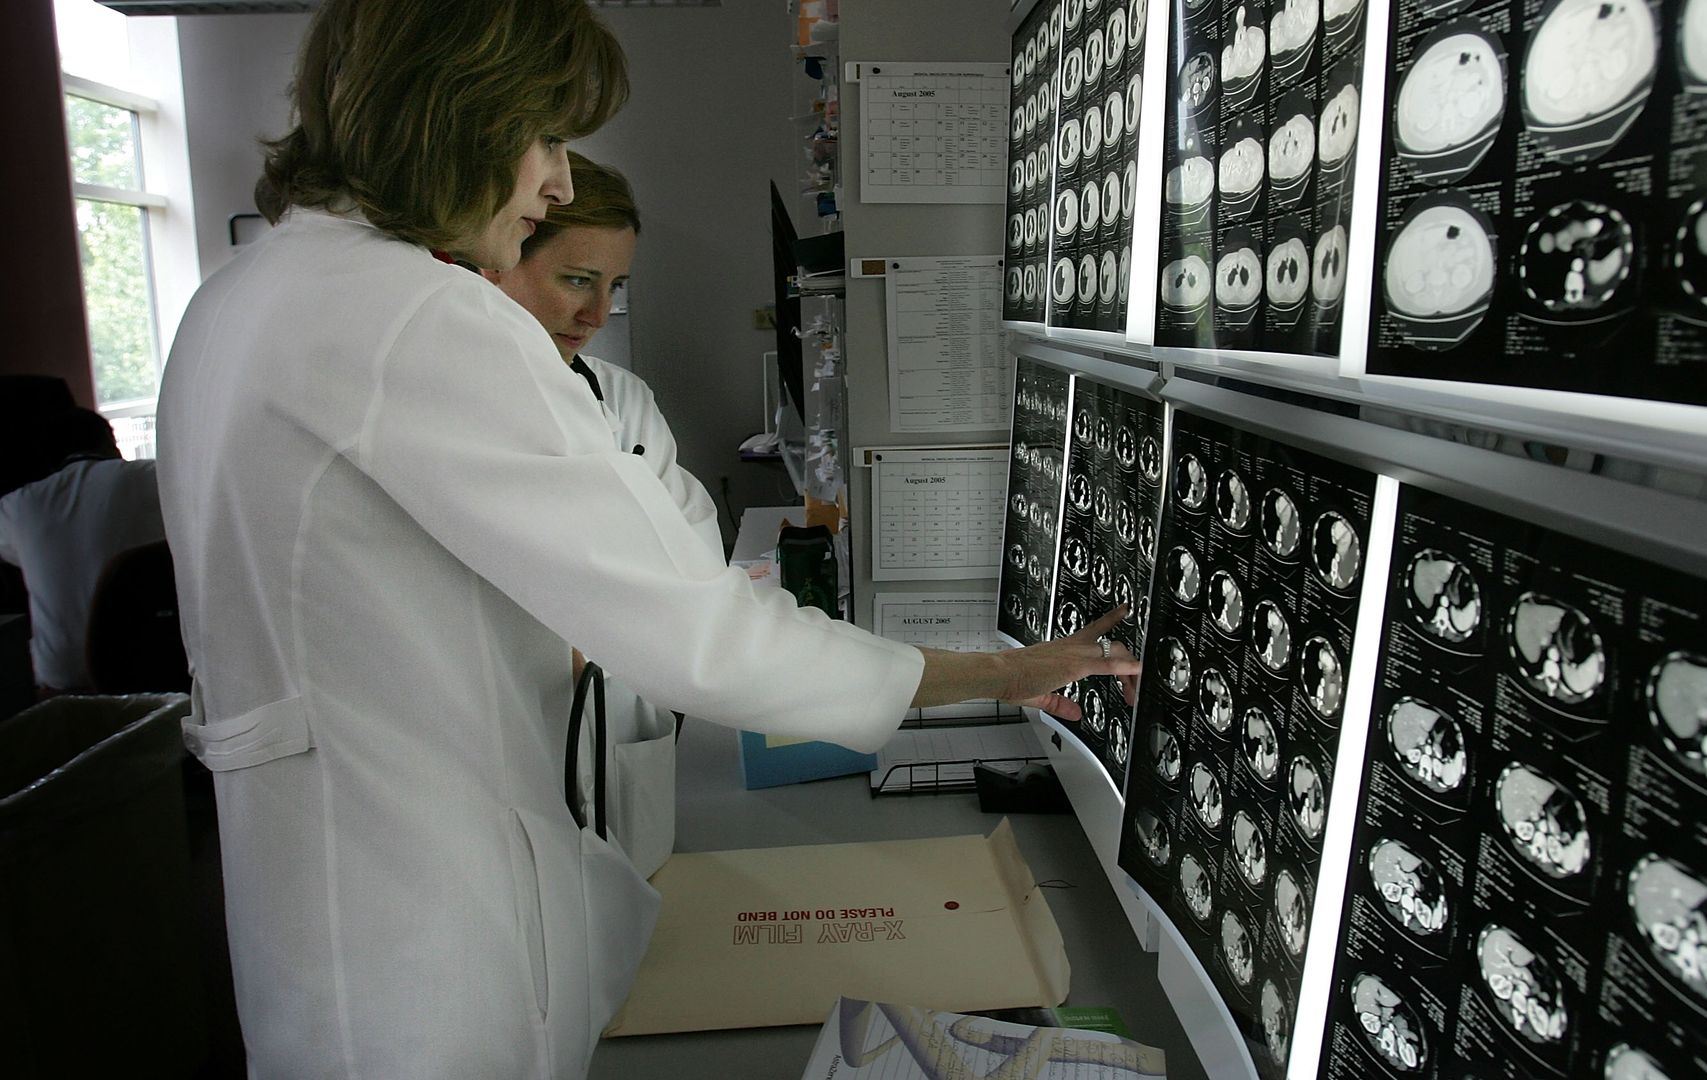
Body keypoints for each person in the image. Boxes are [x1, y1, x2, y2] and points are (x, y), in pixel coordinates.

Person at [155, 2, 1135, 1077]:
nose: (558, 185)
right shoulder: (408, 315)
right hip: (427, 955)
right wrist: (1005, 674)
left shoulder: (244, 298)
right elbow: (704, 638)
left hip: (331, 930)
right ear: (454, 116)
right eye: (544, 137)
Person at [486, 151, 706, 877]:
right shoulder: (451, 407)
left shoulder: (624, 399)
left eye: (614, 285)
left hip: (621, 726)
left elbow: (695, 567)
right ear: (497, 259)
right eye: (577, 279)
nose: (597, 312)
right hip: (507, 754)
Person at [0, 407, 165, 691]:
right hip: (147, 674)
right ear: (107, 441)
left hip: (59, 684)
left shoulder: (17, 506)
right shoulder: (150, 478)